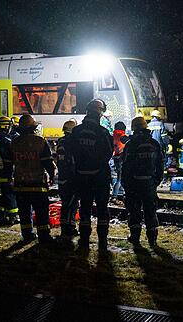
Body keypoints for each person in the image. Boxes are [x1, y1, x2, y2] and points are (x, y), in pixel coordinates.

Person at [68, 99, 114, 252]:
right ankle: (102, 241)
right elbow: (108, 153)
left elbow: (71, 154)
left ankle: (84, 240)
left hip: (82, 177)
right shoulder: (103, 132)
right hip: (100, 178)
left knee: (85, 208)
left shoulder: (76, 131)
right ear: (99, 114)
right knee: (102, 210)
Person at [10, 114, 56, 244]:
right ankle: (44, 236)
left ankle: (27, 235)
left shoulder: (15, 142)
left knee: (24, 212)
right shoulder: (40, 141)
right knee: (41, 212)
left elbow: (9, 163)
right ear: (33, 128)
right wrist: (52, 176)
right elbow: (48, 162)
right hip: (37, 185)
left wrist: (9, 178)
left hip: (20, 184)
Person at [121, 116, 163, 248]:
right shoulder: (154, 143)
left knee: (134, 211)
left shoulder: (130, 144)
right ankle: (152, 240)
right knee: (150, 211)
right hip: (149, 183)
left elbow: (126, 166)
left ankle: (135, 238)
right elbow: (160, 164)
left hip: (134, 184)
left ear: (133, 128)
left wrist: (125, 184)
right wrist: (156, 180)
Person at [0, 116, 19, 226]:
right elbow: (12, 156)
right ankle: (13, 217)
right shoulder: (7, 140)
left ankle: (2, 216)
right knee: (11, 194)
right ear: (7, 126)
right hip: (7, 171)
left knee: (4, 194)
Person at [56, 119, 78, 241]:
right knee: (71, 204)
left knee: (66, 203)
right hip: (71, 178)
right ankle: (68, 229)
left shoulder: (60, 142)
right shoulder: (72, 142)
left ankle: (68, 227)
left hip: (62, 177)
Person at [111, 121, 128, 202]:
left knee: (118, 176)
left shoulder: (112, 136)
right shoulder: (123, 137)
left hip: (114, 158)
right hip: (121, 159)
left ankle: (120, 193)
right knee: (120, 178)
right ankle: (114, 196)